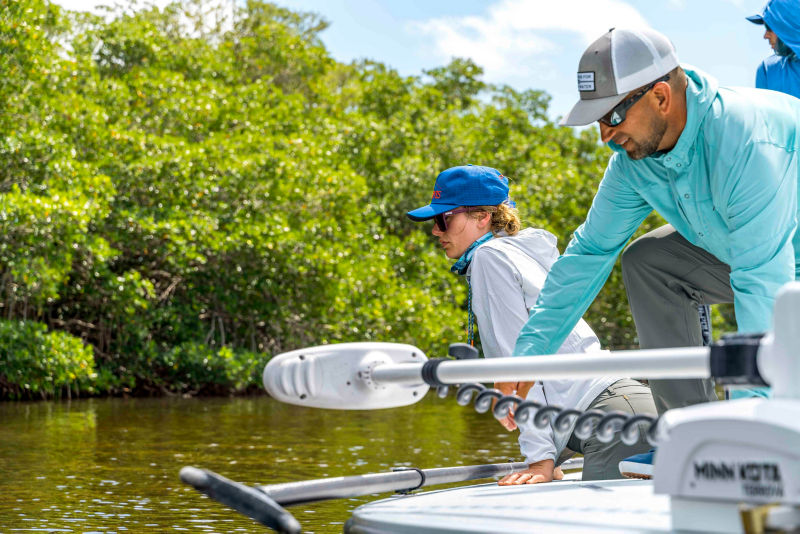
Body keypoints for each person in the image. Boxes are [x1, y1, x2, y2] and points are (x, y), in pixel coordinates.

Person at [506, 27, 800, 479]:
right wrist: (529, 355)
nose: (605, 135)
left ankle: (746, 435)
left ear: (661, 96)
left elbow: (762, 283)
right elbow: (589, 253)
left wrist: (751, 439)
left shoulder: (746, 138)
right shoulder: (632, 163)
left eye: (613, 115)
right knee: (648, 261)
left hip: (777, 267)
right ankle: (690, 433)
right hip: (758, 256)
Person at [406, 164, 656, 484]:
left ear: (481, 218)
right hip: (625, 409)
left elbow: (520, 364)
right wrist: (554, 454)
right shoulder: (520, 253)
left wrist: (540, 460)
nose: (436, 231)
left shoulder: (489, 258)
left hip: (612, 420)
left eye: (444, 219)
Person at [747, 0, 800, 99]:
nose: (765, 36)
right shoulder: (767, 69)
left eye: (769, 28)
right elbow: (763, 113)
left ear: (788, 26)